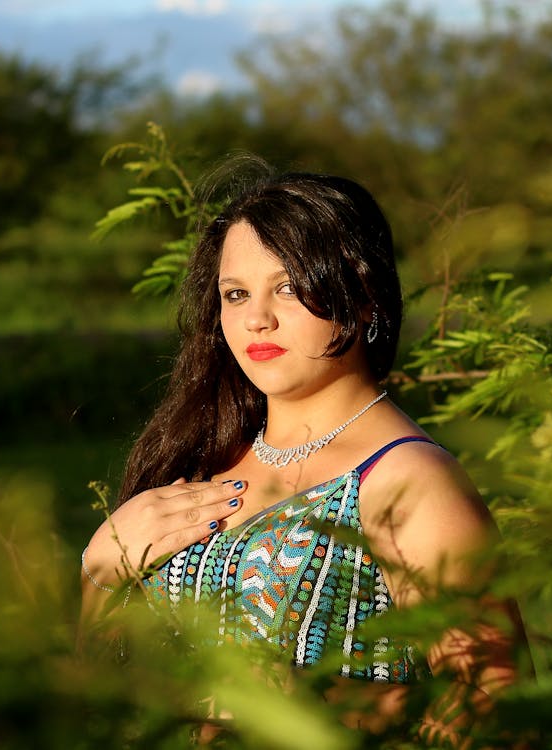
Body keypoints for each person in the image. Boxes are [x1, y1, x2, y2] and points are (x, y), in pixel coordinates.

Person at [81, 167, 528, 744]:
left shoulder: (408, 481)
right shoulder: (205, 455)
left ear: (364, 297)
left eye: (290, 287)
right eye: (236, 293)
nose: (256, 317)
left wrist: (321, 698)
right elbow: (95, 692)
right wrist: (98, 573)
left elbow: (502, 720)